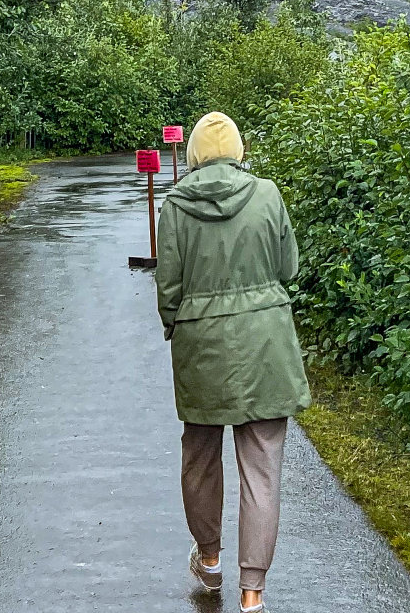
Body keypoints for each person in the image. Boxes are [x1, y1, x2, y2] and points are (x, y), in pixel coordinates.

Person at [156, 111, 311, 613]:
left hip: (202, 347)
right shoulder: (268, 194)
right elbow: (288, 267)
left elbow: (170, 290)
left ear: (195, 154)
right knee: (262, 469)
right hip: (266, 345)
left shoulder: (176, 206)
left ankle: (209, 558)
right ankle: (252, 593)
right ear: (240, 150)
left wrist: (176, 326)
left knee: (200, 460)